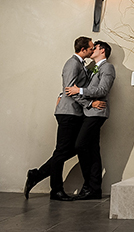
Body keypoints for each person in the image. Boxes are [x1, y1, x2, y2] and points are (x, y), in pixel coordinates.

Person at [23, 36, 105, 201]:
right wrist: (90, 104)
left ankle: (36, 175)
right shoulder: (72, 64)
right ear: (83, 49)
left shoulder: (80, 64)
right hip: (68, 113)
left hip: (74, 113)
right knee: (61, 152)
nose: (91, 50)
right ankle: (56, 190)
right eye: (90, 48)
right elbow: (70, 90)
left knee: (72, 149)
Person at [65, 40, 115, 200]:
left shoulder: (107, 67)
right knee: (93, 150)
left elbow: (103, 89)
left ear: (103, 51)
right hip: (89, 112)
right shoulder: (92, 68)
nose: (92, 49)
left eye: (95, 47)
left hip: (97, 113)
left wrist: (79, 90)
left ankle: (89, 186)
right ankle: (93, 189)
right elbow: (71, 82)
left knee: (80, 145)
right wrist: (63, 94)